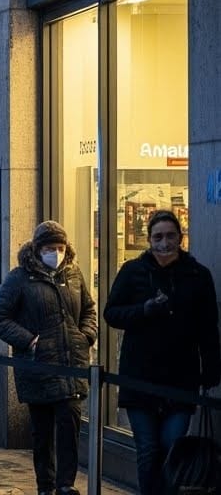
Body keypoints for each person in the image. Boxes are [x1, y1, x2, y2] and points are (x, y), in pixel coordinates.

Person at [104, 209, 221, 495]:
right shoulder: (133, 272)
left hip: (181, 379)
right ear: (149, 239)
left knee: (171, 447)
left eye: (170, 236)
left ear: (180, 238)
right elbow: (112, 313)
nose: (164, 243)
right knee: (147, 449)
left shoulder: (198, 275)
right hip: (139, 378)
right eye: (158, 237)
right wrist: (143, 310)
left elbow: (209, 327)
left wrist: (211, 370)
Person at [0, 220, 97, 495]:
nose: (56, 253)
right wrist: (29, 340)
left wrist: (85, 336)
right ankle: (45, 485)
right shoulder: (20, 278)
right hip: (38, 367)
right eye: (50, 248)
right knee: (42, 432)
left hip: (72, 365)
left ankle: (65, 484)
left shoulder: (73, 275)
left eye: (61, 248)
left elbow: (88, 309)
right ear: (38, 249)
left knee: (69, 428)